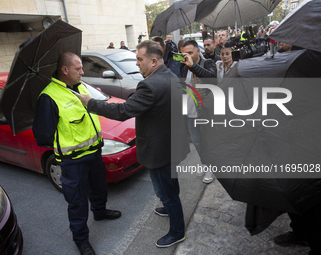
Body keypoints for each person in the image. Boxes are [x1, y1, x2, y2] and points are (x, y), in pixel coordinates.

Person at [75, 40, 190, 248]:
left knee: (167, 189)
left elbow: (123, 111)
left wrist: (90, 102)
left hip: (160, 150)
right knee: (169, 186)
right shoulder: (170, 76)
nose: (136, 63)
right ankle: (168, 206)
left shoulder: (150, 84)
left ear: (153, 61)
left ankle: (177, 231)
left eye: (139, 59)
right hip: (170, 144)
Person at [32, 52, 121, 255]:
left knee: (99, 188)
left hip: (94, 152)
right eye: (78, 68)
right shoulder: (49, 97)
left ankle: (99, 212)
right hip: (73, 161)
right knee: (78, 201)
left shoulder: (80, 87)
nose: (82, 72)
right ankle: (81, 240)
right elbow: (43, 135)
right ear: (65, 70)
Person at [180, 40, 217, 184]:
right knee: (197, 142)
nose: (187, 55)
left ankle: (211, 168)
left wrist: (193, 66)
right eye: (184, 53)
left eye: (190, 52)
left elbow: (212, 80)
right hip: (190, 113)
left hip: (205, 113)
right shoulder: (184, 67)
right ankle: (204, 163)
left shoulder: (207, 63)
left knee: (207, 142)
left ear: (197, 51)